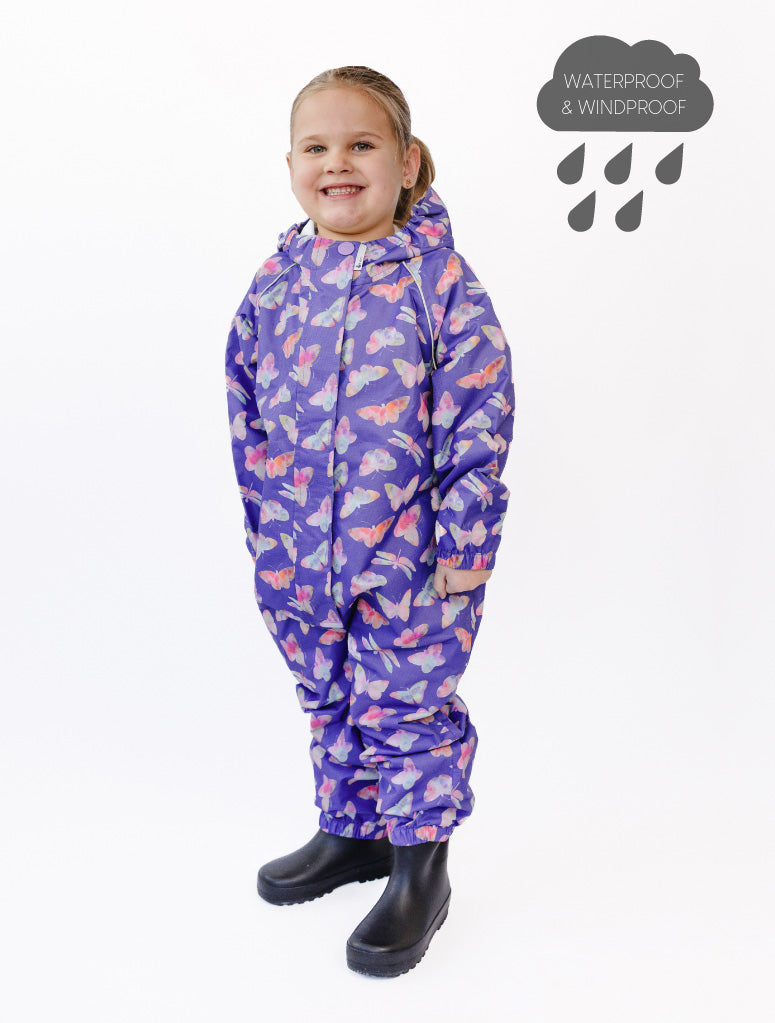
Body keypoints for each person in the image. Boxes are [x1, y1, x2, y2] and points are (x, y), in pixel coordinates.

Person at [224, 65, 515, 978]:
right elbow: (244, 407)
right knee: (328, 692)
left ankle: (420, 864)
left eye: (361, 144)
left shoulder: (441, 284)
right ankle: (350, 829)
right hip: (297, 551)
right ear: (289, 165)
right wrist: (264, 528)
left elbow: (479, 415)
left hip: (411, 556)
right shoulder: (275, 283)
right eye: (315, 147)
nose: (337, 162)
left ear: (407, 161)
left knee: (405, 703)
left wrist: (466, 543)